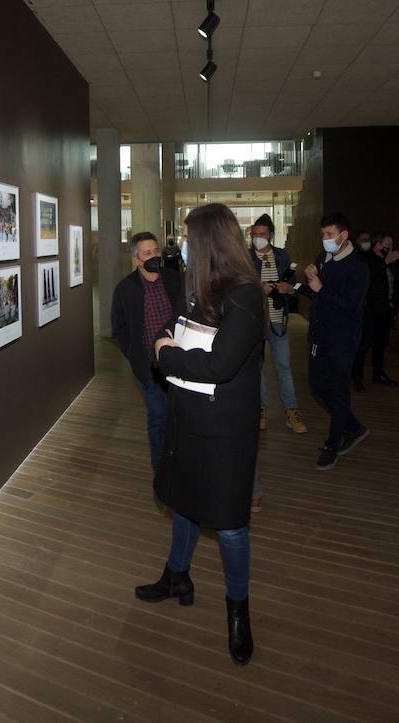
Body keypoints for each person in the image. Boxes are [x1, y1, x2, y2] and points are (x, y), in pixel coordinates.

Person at [137, 202, 266, 666]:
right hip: (189, 416)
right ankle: (177, 575)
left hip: (226, 431)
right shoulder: (197, 286)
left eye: (190, 241)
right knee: (183, 501)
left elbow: (220, 365)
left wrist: (166, 355)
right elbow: (174, 325)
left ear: (209, 243)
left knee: (229, 525)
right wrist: (163, 339)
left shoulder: (246, 296)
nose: (183, 250)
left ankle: (239, 614)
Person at [111, 231, 186, 468]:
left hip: (182, 363)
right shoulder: (125, 289)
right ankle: (161, 472)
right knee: (158, 419)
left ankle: (183, 468)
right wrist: (134, 356)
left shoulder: (176, 279)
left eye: (156, 251)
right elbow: (119, 328)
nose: (154, 256)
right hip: (150, 369)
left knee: (184, 418)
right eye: (147, 253)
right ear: (136, 259)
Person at [301, 212, 369, 470]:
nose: (325, 239)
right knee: (318, 387)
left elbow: (352, 307)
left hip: (342, 341)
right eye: (323, 235)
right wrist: (306, 284)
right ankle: (352, 425)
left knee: (339, 392)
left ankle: (332, 444)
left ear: (344, 235)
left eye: (329, 234)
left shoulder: (358, 267)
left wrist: (320, 288)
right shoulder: (323, 259)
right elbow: (317, 296)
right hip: (319, 336)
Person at [249, 214, 306, 435]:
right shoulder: (246, 258)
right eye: (255, 235)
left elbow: (293, 285)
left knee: (283, 367)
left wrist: (288, 289)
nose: (258, 238)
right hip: (256, 322)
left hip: (278, 321)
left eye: (262, 235)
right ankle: (261, 410)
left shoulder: (282, 256)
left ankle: (291, 411)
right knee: (258, 368)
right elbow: (241, 284)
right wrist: (258, 286)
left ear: (271, 235)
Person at [353, 230, 397, 390]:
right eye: (388, 244)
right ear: (378, 245)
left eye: (392, 244)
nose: (391, 247)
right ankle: (356, 376)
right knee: (363, 344)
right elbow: (368, 277)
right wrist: (385, 262)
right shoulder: (366, 259)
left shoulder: (387, 261)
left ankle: (378, 374)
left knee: (381, 344)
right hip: (369, 310)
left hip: (385, 309)